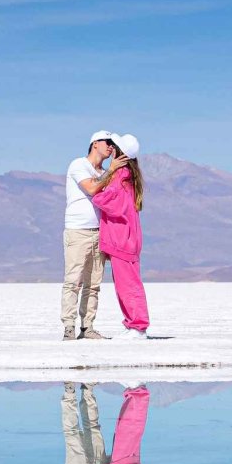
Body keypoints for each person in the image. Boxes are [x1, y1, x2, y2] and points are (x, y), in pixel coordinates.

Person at [62, 131, 129, 341]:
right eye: (107, 142)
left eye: (113, 144)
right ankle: (69, 327)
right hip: (78, 230)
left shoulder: (105, 171)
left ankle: (87, 326)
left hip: (100, 231)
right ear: (94, 144)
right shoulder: (79, 165)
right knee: (74, 280)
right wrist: (111, 171)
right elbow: (91, 188)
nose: (110, 147)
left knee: (94, 283)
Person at [89, 134, 149, 340]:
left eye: (114, 146)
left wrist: (102, 187)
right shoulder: (129, 175)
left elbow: (106, 201)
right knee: (127, 283)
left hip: (122, 238)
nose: (111, 148)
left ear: (119, 152)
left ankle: (138, 327)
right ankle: (133, 324)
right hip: (127, 237)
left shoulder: (121, 175)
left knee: (128, 284)